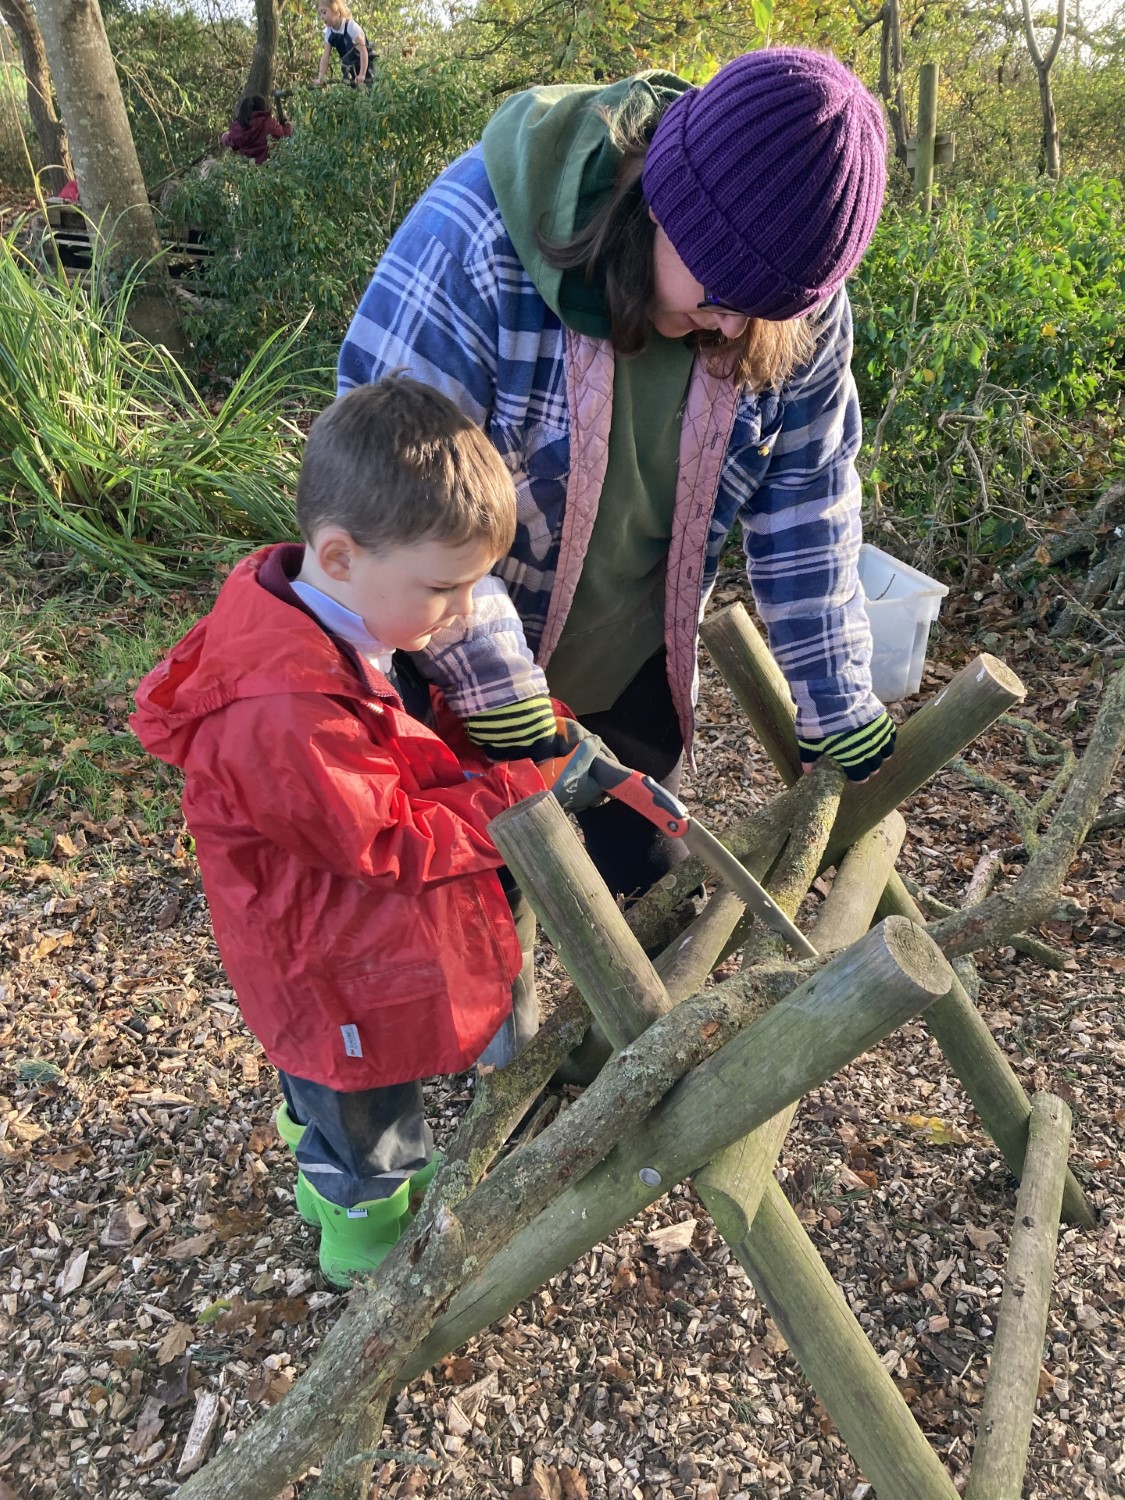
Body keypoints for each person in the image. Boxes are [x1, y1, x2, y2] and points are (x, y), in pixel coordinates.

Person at [338, 48, 898, 907]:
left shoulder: (796, 295)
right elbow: (388, 484)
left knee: (644, 906)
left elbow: (810, 502)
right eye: (719, 291)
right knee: (467, 924)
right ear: (661, 203)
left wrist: (836, 697)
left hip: (629, 671)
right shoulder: (476, 232)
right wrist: (493, 680)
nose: (734, 322)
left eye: (769, 309)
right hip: (444, 668)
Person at [130, 377, 606, 1286]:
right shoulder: (282, 705)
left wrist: (498, 750)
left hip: (324, 932)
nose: (465, 613)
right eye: (444, 588)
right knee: (368, 1112)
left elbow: (392, 757)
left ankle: (325, 1157)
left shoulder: (331, 628)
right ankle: (366, 1251)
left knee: (332, 1084)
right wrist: (516, 791)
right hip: (324, 955)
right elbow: (382, 837)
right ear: (340, 556)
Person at [220, 92, 292, 165]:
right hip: (268, 168)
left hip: (245, 169)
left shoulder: (240, 126)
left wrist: (224, 136)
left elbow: (231, 141)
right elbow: (285, 134)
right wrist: (287, 124)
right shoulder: (269, 123)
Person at [313, 0, 371, 88]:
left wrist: (362, 74)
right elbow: (325, 57)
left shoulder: (351, 27)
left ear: (336, 12)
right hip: (348, 68)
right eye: (320, 14)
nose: (321, 17)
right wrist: (321, 77)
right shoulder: (329, 32)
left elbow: (363, 51)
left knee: (369, 92)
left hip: (365, 65)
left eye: (324, 12)